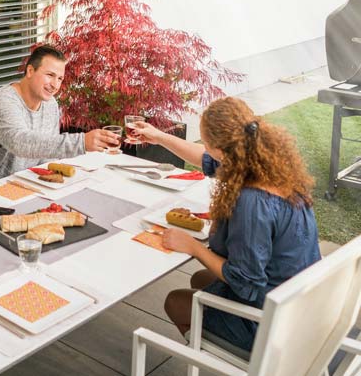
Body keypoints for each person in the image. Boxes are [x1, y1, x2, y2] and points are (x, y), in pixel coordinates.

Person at [130, 97, 320, 353]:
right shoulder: (266, 166)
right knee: (200, 278)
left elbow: (247, 282)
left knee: (176, 301)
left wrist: (193, 248)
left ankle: (224, 357)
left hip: (277, 324)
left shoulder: (252, 202)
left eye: (206, 143)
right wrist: (159, 137)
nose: (205, 149)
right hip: (304, 300)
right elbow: (205, 160)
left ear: (220, 149)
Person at [0, 45, 119, 185]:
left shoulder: (50, 105)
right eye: (49, 75)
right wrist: (82, 142)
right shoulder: (2, 102)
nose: (55, 85)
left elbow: (46, 157)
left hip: (21, 184)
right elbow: (20, 142)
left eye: (60, 78)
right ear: (30, 71)